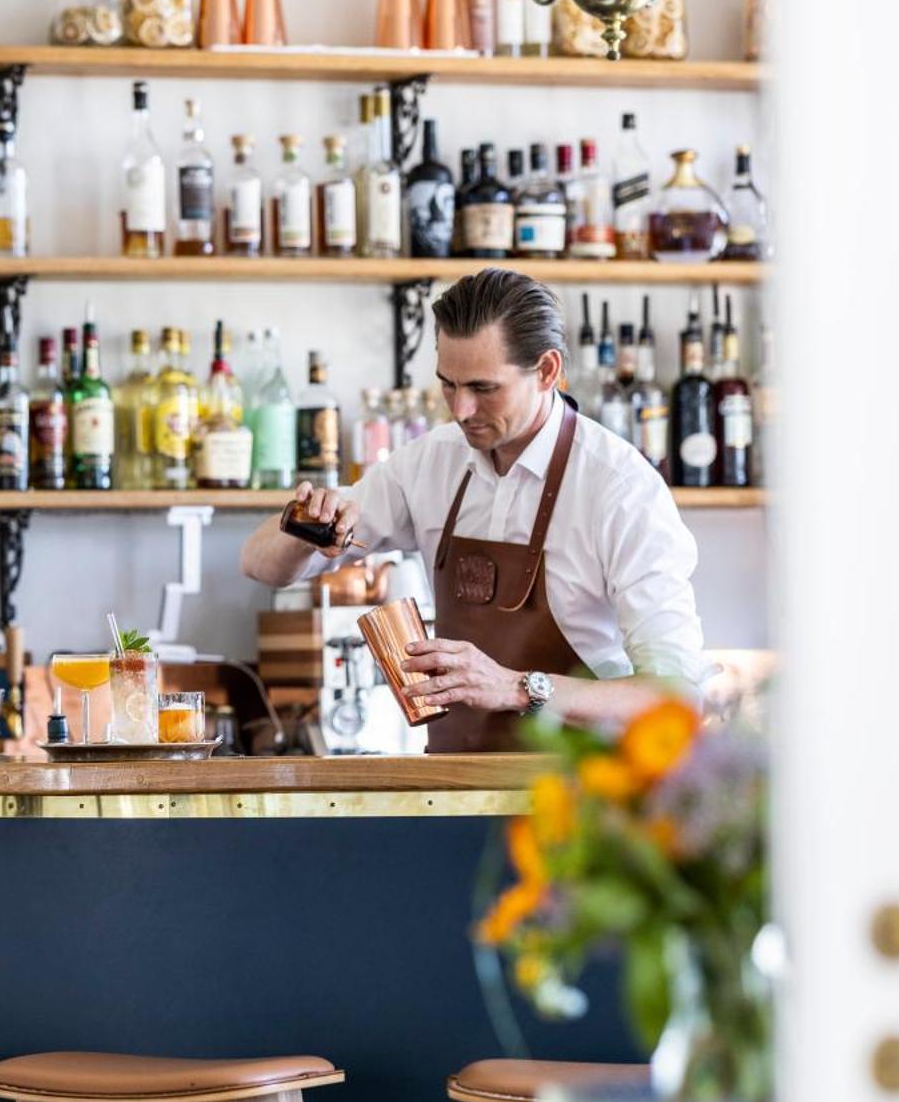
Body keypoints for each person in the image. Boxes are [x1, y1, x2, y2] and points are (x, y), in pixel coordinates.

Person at [240, 268, 704, 752]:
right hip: (452, 789)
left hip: (576, 801)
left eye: (483, 388)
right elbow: (257, 563)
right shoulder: (432, 461)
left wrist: (515, 687)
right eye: (447, 384)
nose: (460, 410)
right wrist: (307, 525)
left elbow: (678, 697)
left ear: (546, 371)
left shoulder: (619, 489)